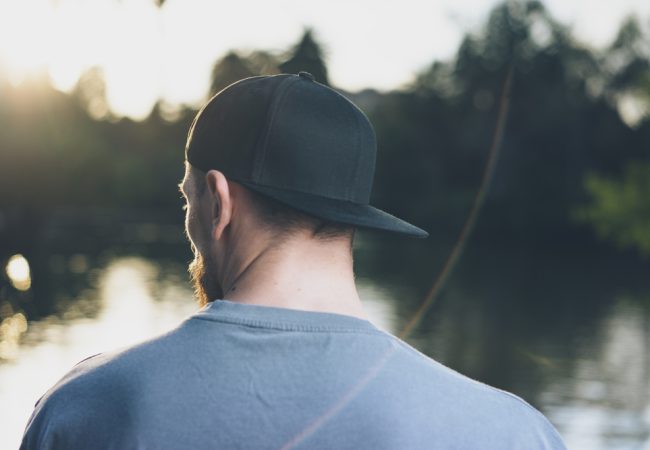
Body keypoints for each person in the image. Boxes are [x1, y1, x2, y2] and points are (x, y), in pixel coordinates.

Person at [20, 72, 566, 449]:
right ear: (351, 214)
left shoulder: (90, 408)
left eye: (188, 199)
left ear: (218, 203)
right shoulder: (511, 432)